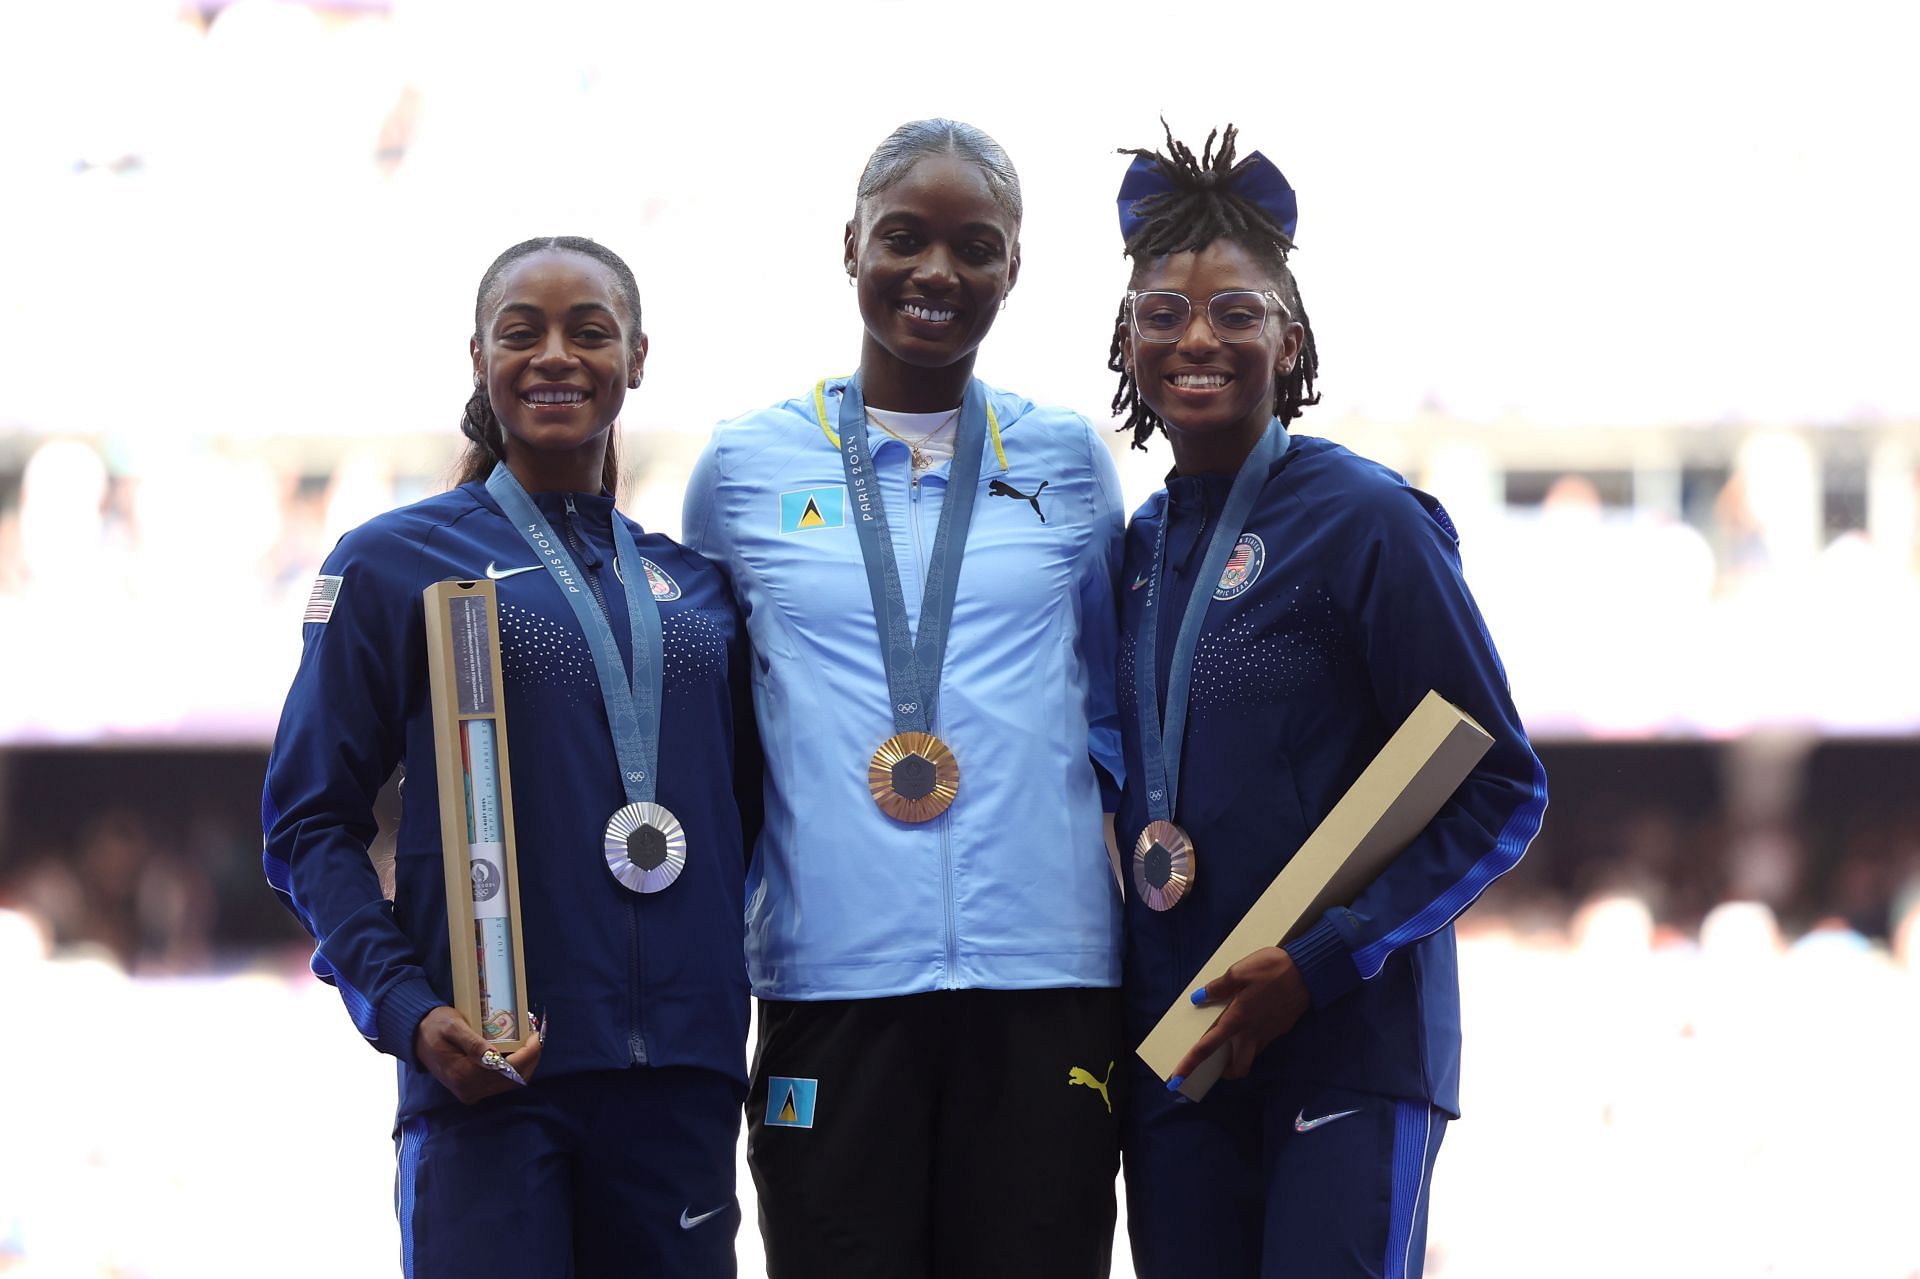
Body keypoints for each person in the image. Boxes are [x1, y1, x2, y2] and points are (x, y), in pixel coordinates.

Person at [263, 236, 759, 1278]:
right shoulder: (396, 562)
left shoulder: (699, 591)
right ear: (481, 356)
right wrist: (407, 1007)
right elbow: (307, 821)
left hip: (681, 1083)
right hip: (490, 1077)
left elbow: (744, 819)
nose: (555, 357)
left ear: (637, 356)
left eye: (590, 331)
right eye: (521, 331)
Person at [682, 119, 1127, 1278]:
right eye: (905, 239)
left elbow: (1112, 699)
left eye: (975, 246)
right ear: (851, 247)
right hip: (830, 977)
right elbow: (717, 718)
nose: (937, 272)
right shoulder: (742, 471)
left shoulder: (1072, 460)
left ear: (1013, 270)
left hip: (1048, 976)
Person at [1106, 126, 1549, 1278]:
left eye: (1235, 313)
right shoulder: (1133, 551)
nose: (1196, 337)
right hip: (1182, 1053)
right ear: (1126, 339)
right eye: (1163, 312)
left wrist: (1325, 961)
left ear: (1288, 338)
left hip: (1348, 1043)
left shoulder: (1369, 522)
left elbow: (1500, 786)